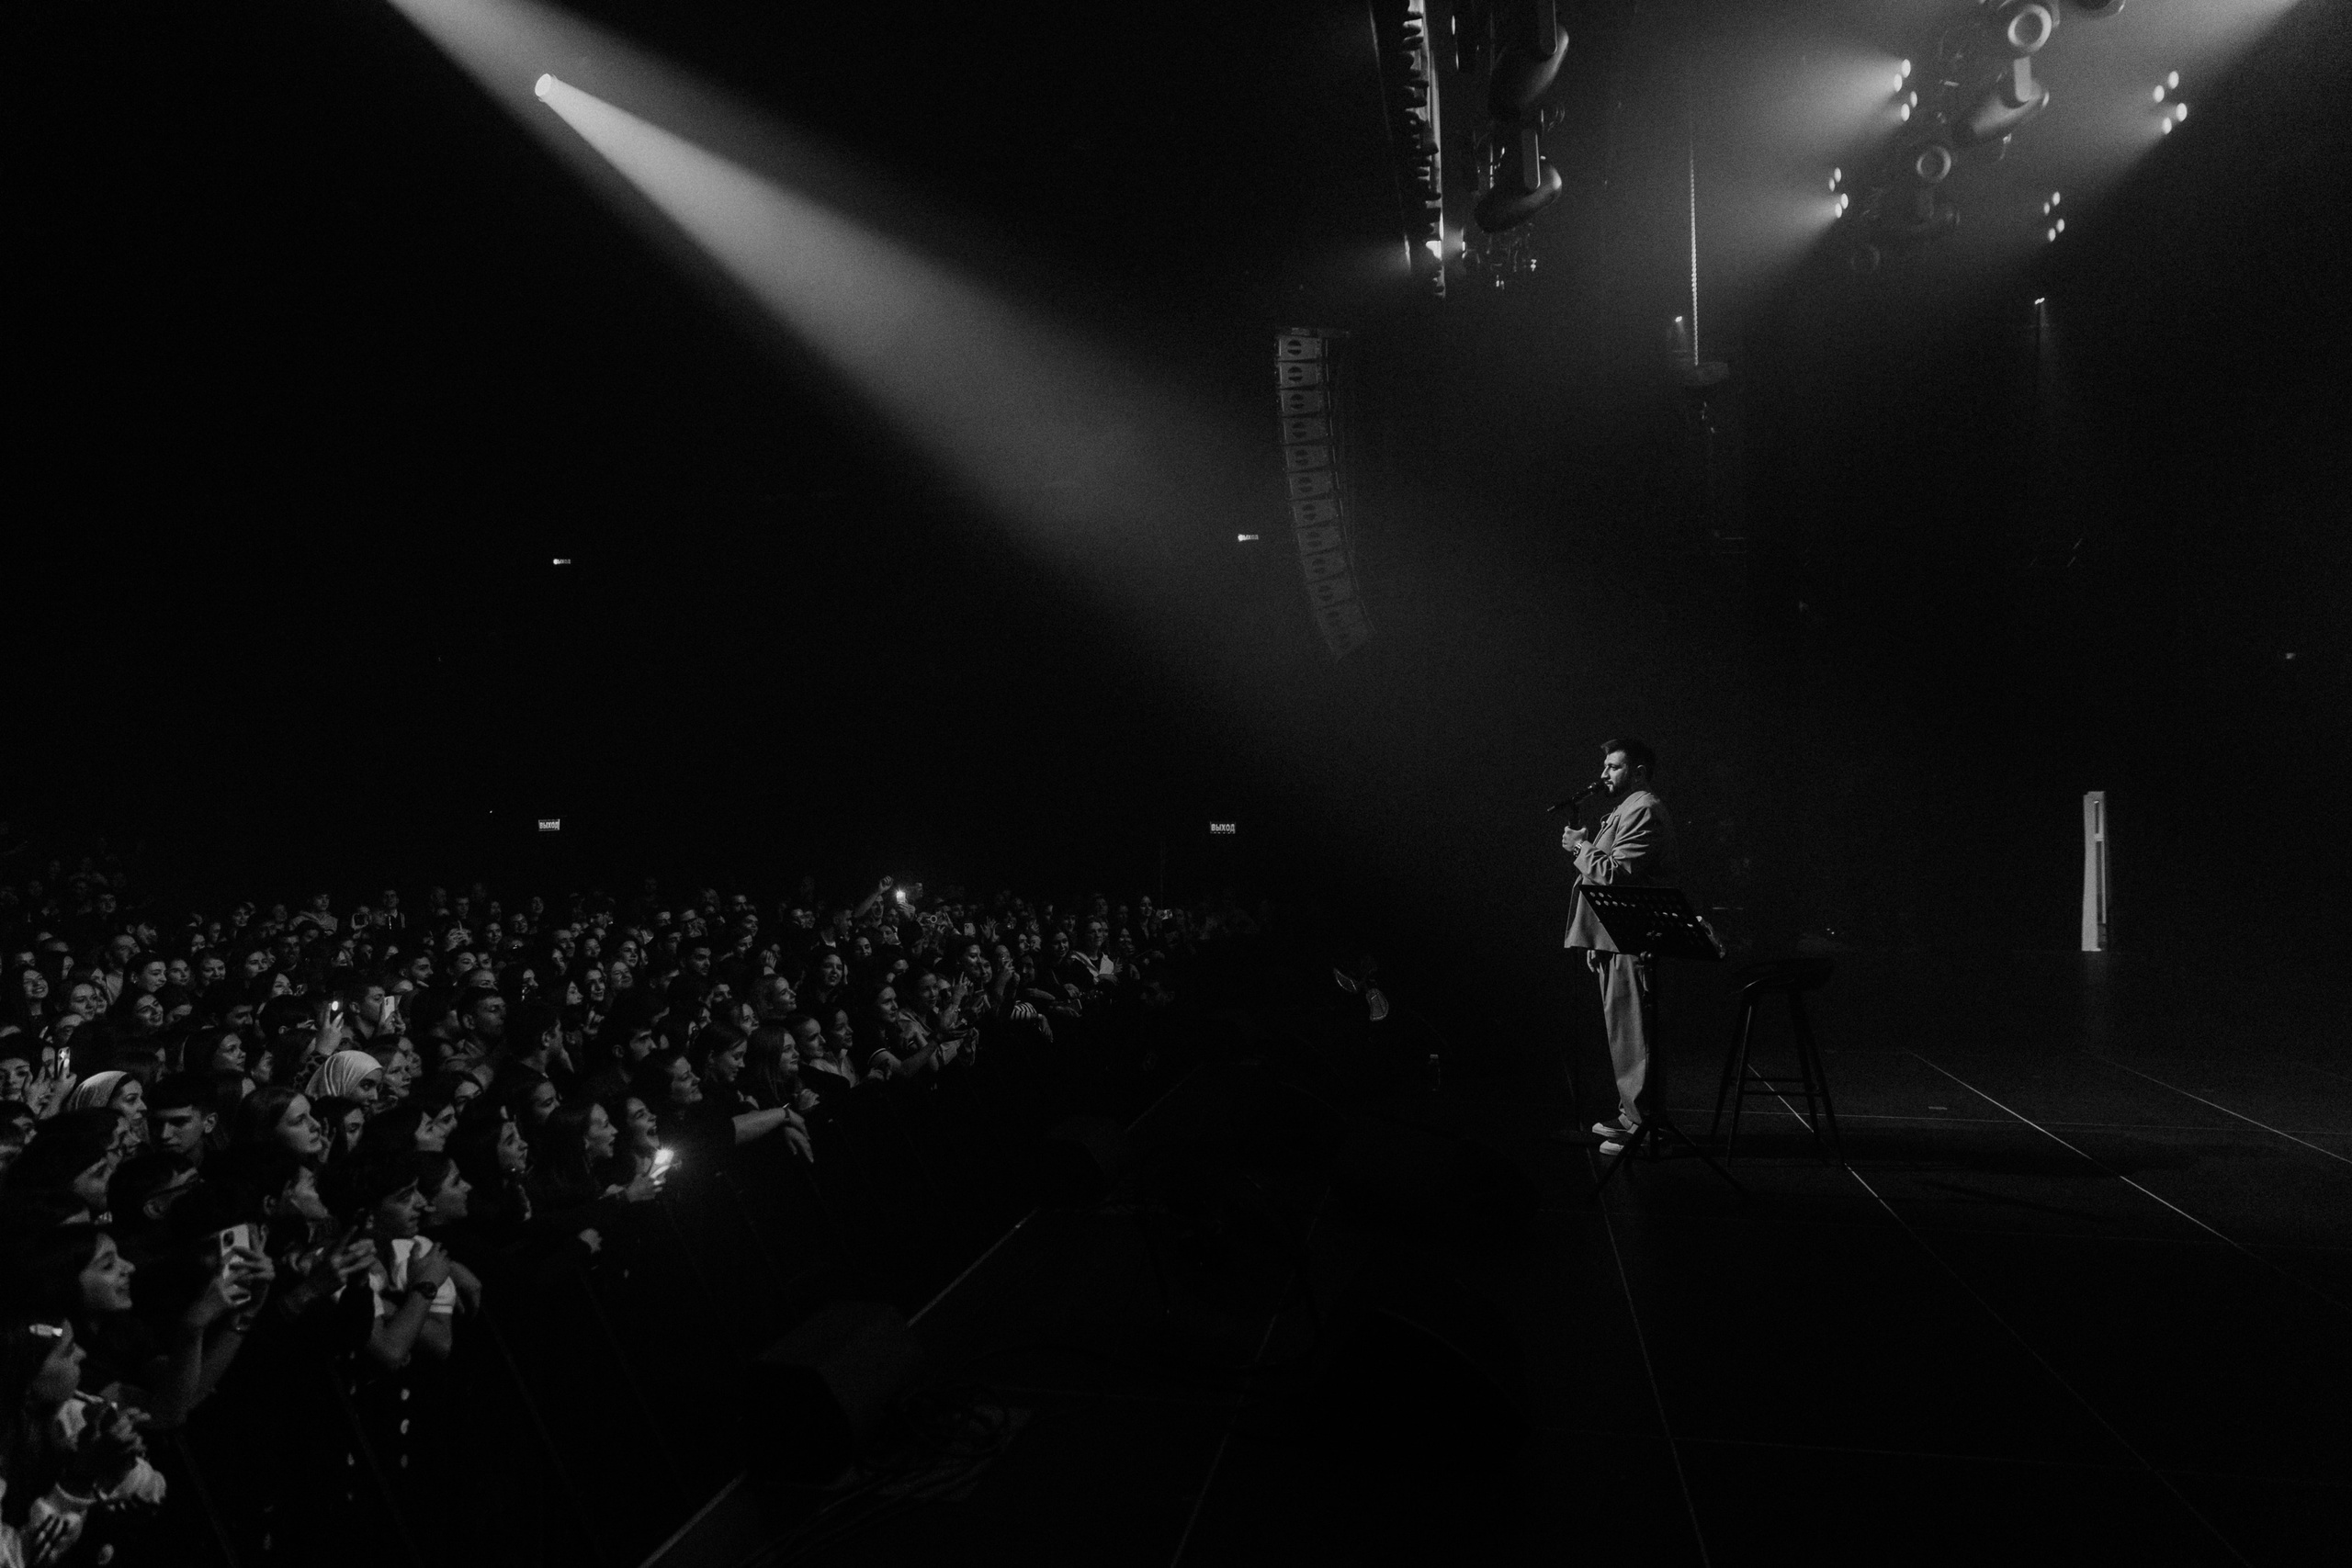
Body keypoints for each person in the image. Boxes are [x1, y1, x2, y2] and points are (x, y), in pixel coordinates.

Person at [1558, 737, 1679, 1154]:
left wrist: (1580, 846)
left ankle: (1645, 1127)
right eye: (1605, 766)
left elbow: (1617, 874)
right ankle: (1632, 1116)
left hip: (1635, 940)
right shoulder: (1627, 808)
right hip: (1617, 938)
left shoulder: (1644, 808)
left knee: (1635, 1034)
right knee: (1624, 1033)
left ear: (1638, 772)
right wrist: (1598, 937)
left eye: (1614, 767)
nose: (1604, 774)